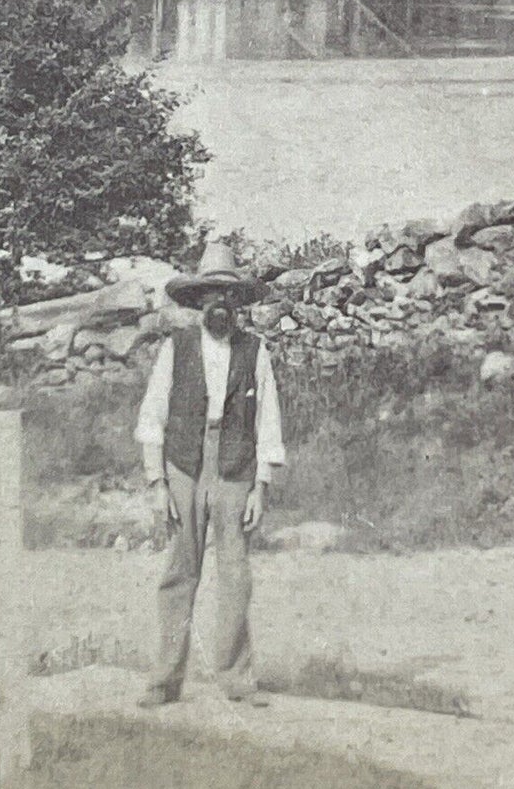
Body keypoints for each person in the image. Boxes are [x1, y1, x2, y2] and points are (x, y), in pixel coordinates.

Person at [134, 241, 285, 708]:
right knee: (180, 570)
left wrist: (261, 486)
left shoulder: (254, 351)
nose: (220, 303)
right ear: (198, 301)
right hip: (184, 462)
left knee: (236, 573)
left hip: (236, 464)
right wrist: (158, 484)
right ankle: (164, 679)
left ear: (238, 303)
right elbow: (152, 417)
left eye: (229, 295)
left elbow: (269, 422)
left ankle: (237, 679)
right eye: (211, 295)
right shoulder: (175, 349)